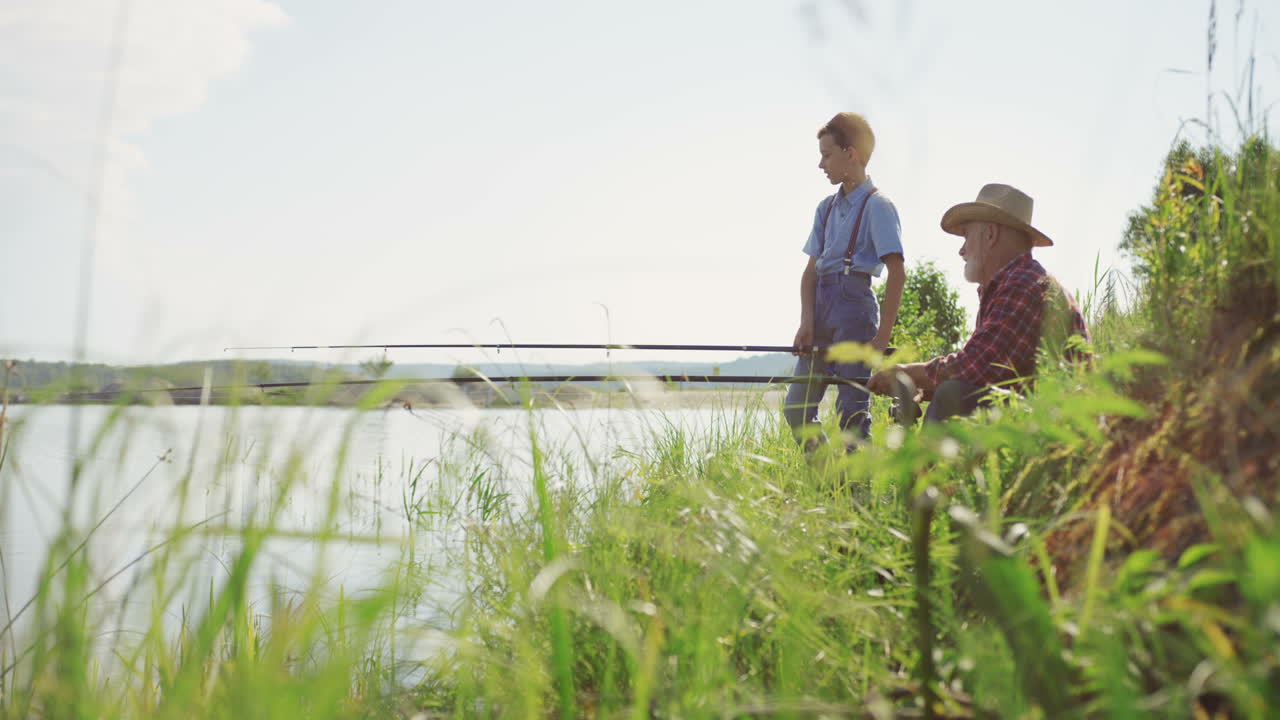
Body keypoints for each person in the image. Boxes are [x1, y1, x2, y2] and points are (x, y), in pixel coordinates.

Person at [866, 183, 1089, 422]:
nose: (961, 250)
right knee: (952, 392)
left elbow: (978, 365)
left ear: (990, 234)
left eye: (966, 237)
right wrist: (924, 387)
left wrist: (906, 374)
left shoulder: (1023, 284)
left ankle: (931, 460)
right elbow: (990, 377)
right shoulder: (1016, 282)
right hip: (1043, 417)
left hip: (1059, 424)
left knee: (954, 395)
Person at [785, 112, 905, 449]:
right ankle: (827, 476)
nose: (821, 164)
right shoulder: (825, 208)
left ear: (850, 153)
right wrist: (806, 321)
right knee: (796, 408)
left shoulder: (878, 206)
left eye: (826, 155)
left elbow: (897, 272)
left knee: (852, 411)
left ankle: (855, 493)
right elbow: (810, 272)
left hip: (854, 308)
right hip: (821, 308)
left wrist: (882, 339)